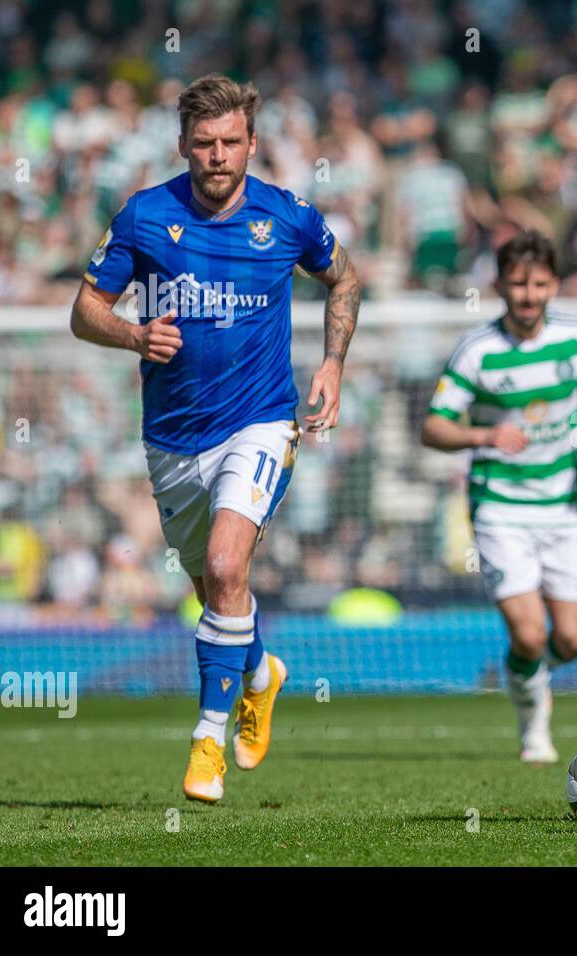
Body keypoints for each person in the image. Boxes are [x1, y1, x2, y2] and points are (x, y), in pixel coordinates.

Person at [70, 74, 361, 803]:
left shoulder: (287, 217)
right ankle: (260, 673)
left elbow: (345, 281)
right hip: (171, 439)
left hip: (261, 421)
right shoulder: (144, 217)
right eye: (204, 143)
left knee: (229, 566)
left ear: (253, 144)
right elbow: (83, 311)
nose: (218, 156)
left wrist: (331, 363)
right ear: (183, 146)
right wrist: (133, 333)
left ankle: (206, 744)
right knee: (215, 589)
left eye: (232, 142)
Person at [422, 230, 577, 762]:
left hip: (563, 507)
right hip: (500, 509)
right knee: (530, 634)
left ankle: (520, 674)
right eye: (518, 284)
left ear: (553, 283)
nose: (529, 295)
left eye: (538, 284)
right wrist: (484, 435)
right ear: (499, 286)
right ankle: (533, 723)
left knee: (575, 640)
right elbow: (434, 428)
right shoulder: (477, 352)